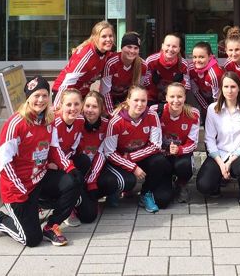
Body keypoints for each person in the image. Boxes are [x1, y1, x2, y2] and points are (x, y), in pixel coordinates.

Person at [0, 76, 82, 247]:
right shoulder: (16, 124)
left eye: (44, 95)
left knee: (73, 183)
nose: (41, 100)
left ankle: (51, 226)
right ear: (28, 98)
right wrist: (21, 190)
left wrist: (70, 168)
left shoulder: (49, 120)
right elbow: (5, 163)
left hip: (39, 180)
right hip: (17, 189)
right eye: (36, 95)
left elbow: (54, 148)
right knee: (31, 239)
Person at [101, 85, 173, 213]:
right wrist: (132, 167)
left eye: (143, 100)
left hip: (137, 157)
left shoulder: (152, 115)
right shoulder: (115, 120)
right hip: (121, 159)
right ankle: (116, 189)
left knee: (159, 161)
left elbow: (156, 145)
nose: (140, 104)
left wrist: (131, 158)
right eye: (136, 100)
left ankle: (146, 194)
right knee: (129, 181)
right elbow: (110, 152)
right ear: (128, 100)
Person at [196, 72, 240, 205]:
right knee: (203, 186)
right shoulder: (212, 109)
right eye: (226, 87)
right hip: (219, 154)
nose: (229, 91)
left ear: (239, 88)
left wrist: (229, 162)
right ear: (221, 88)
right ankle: (217, 183)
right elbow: (209, 139)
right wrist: (221, 163)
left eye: (233, 87)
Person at [154, 83, 201, 203]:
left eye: (179, 96)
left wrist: (179, 150)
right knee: (162, 200)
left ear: (185, 97)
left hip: (181, 155)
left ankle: (181, 183)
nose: (176, 100)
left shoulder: (193, 113)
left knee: (184, 165)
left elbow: (193, 143)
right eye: (172, 96)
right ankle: (165, 180)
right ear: (166, 97)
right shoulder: (155, 111)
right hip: (162, 156)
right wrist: (162, 151)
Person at [53, 21, 115, 106]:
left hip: (82, 93)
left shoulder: (106, 54)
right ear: (95, 37)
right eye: (104, 36)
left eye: (110, 36)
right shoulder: (86, 54)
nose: (108, 39)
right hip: (64, 92)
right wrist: (57, 107)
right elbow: (68, 82)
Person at [52, 88, 86, 227]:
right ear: (61, 105)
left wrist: (67, 162)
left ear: (81, 105)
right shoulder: (54, 122)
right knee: (71, 177)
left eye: (76, 104)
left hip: (65, 159)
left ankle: (75, 198)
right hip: (51, 163)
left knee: (84, 161)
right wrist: (66, 166)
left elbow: (74, 147)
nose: (73, 108)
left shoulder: (80, 120)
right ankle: (63, 206)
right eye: (68, 104)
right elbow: (51, 149)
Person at [74, 91, 108, 221]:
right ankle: (72, 201)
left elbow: (102, 154)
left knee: (112, 182)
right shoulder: (76, 122)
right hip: (78, 170)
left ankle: (95, 197)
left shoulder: (107, 125)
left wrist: (92, 181)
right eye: (87, 106)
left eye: (94, 107)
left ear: (101, 109)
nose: (90, 110)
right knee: (89, 216)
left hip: (95, 170)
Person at [100, 31, 147, 116]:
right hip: (110, 100)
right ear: (122, 47)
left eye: (136, 48)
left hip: (127, 100)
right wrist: (111, 114)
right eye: (129, 47)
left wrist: (128, 109)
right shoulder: (111, 63)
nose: (132, 51)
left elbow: (137, 92)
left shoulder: (142, 65)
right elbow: (105, 92)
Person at [144, 33, 190, 106]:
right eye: (168, 45)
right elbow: (144, 82)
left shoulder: (183, 64)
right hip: (153, 99)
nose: (170, 49)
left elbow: (187, 86)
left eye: (174, 46)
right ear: (162, 46)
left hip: (174, 99)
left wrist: (178, 86)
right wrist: (153, 82)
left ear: (179, 49)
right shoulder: (151, 61)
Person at [188, 41, 224, 118]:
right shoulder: (191, 69)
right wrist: (206, 108)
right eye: (194, 57)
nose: (197, 60)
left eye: (201, 57)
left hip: (219, 99)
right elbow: (195, 92)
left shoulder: (214, 74)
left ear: (210, 57)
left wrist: (213, 112)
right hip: (203, 97)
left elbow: (217, 98)